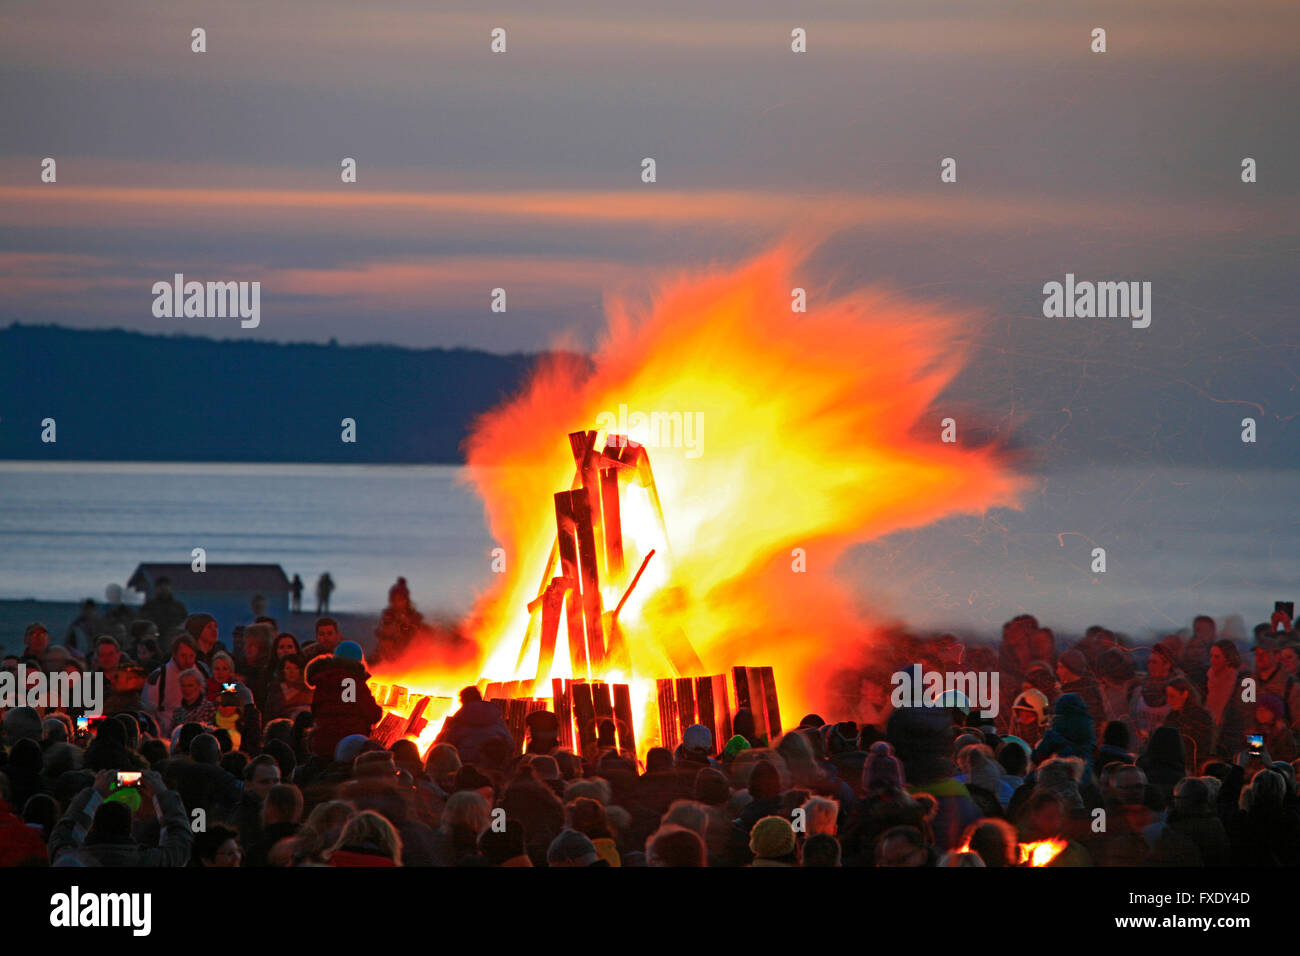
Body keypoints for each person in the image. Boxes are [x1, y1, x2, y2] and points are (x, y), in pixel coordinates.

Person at [48, 769, 193, 866]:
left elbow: (64, 833)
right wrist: (161, 794)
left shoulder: (72, 859)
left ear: (92, 827)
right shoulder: (151, 861)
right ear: (130, 829)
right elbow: (180, 839)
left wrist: (95, 793)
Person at [305, 642, 383, 760]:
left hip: (322, 743)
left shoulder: (323, 681)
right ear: (358, 661)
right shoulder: (352, 682)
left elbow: (315, 711)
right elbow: (373, 714)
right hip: (351, 745)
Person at [435, 686, 515, 768]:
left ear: (464, 700)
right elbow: (510, 743)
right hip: (492, 766)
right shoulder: (495, 718)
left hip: (464, 766)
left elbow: (449, 745)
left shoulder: (460, 720)